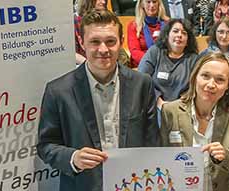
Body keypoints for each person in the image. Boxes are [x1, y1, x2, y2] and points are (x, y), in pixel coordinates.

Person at [37, 10, 160, 191]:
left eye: (110, 41)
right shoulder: (58, 91)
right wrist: (73, 158)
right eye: (95, 42)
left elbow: (152, 142)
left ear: (121, 41)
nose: (103, 50)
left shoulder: (143, 84)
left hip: (133, 184)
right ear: (81, 42)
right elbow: (45, 145)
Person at [160, 52, 229, 191]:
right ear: (195, 77)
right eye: (205, 76)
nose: (211, 84)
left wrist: (225, 156)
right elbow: (163, 158)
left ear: (228, 85)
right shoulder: (170, 111)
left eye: (220, 79)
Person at [139, 19, 200, 109]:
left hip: (182, 107)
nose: (179, 35)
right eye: (175, 31)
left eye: (184, 33)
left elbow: (196, 87)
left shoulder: (194, 59)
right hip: (153, 104)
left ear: (188, 41)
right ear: (167, 35)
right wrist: (159, 102)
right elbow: (141, 79)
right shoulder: (155, 52)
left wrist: (178, 105)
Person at [128, 0, 169, 67]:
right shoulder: (134, 26)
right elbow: (135, 52)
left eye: (154, 2)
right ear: (142, 4)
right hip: (143, 65)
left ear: (159, 4)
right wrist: (153, 61)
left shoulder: (168, 23)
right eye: (148, 2)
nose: (152, 5)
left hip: (165, 64)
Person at [74, 0, 106, 64]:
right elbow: (72, 53)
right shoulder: (75, 21)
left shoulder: (107, 19)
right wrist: (89, 65)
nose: (103, 2)